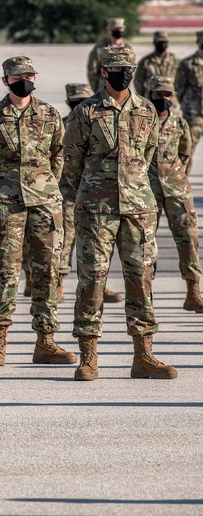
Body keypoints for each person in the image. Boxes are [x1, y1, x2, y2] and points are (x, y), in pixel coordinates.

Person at [64, 45, 177, 381]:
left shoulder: (145, 110)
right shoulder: (85, 112)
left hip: (138, 208)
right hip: (96, 210)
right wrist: (92, 188)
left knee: (141, 281)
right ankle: (89, 357)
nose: (123, 73)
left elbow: (149, 153)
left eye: (128, 67)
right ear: (103, 72)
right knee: (92, 282)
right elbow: (71, 162)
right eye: (115, 67)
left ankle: (143, 356)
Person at [0, 56, 74, 366]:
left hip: (44, 202)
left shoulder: (49, 114)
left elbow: (59, 155)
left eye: (29, 75)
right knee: (4, 273)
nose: (24, 80)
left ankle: (46, 342)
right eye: (17, 76)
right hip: (5, 205)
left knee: (47, 271)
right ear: (6, 80)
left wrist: (44, 186)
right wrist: (1, 187)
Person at [146, 75, 203, 314]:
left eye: (167, 94)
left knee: (188, 238)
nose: (164, 98)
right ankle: (144, 295)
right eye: (159, 94)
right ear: (150, 95)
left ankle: (193, 292)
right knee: (144, 242)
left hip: (177, 188)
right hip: (147, 188)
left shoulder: (180, 123)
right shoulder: (140, 122)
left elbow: (185, 153)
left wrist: (174, 174)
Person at [55, 83, 94, 301]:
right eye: (76, 101)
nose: (79, 105)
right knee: (66, 238)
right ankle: (58, 282)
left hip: (92, 192)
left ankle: (95, 285)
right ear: (69, 102)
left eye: (83, 100)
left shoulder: (97, 123)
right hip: (67, 192)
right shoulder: (61, 125)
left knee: (92, 242)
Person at [174, 30, 203, 160]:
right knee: (187, 149)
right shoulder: (188, 63)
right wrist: (187, 104)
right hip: (193, 113)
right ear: (198, 42)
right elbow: (179, 87)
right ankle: (183, 177)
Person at [86, 17, 130, 92]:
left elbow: (130, 71)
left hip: (123, 91)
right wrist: (97, 90)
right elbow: (92, 72)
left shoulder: (128, 49)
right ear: (109, 30)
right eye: (116, 29)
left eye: (120, 29)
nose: (118, 31)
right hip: (104, 90)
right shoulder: (99, 49)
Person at [134, 31, 179, 97]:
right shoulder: (146, 61)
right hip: (152, 100)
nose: (162, 44)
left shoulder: (175, 61)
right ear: (154, 42)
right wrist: (143, 97)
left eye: (164, 42)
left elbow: (181, 81)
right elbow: (138, 81)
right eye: (160, 42)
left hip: (171, 99)